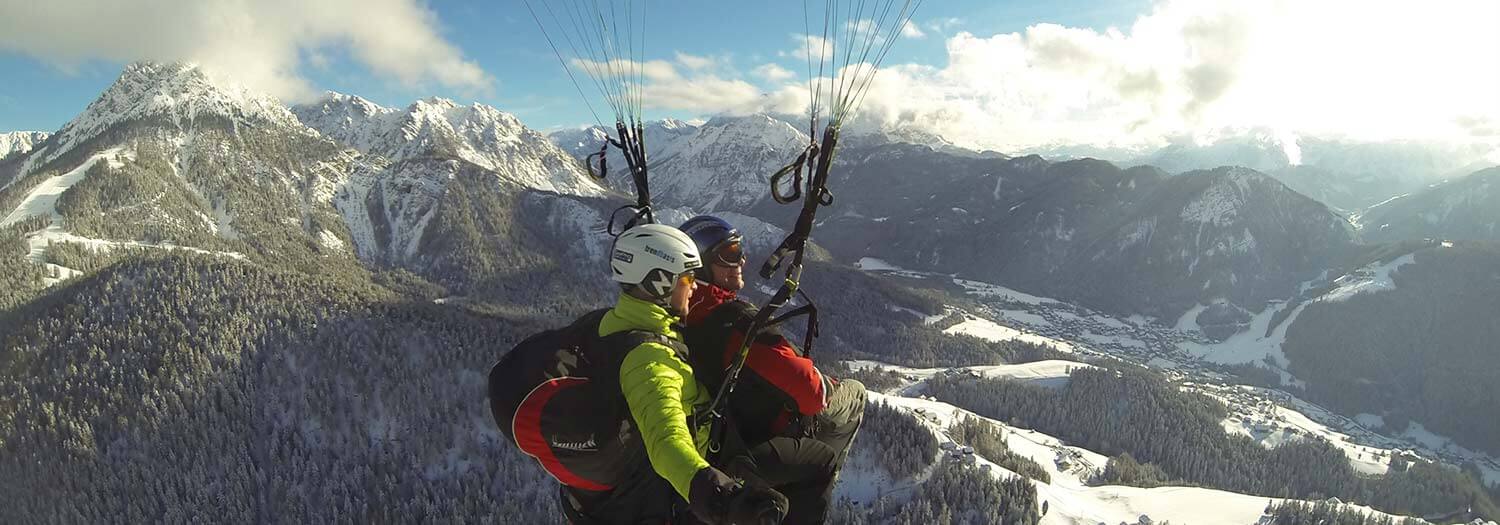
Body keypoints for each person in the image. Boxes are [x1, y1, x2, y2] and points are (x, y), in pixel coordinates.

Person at [563, 223, 788, 525]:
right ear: (660, 283)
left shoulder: (609, 323)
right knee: (815, 464)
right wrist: (724, 498)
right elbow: (667, 442)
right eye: (688, 278)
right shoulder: (649, 360)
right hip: (690, 478)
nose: (694, 287)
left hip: (626, 487)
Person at [677, 216, 867, 525]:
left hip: (706, 443)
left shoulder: (675, 316)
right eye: (730, 254)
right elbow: (811, 394)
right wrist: (827, 385)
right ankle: (807, 487)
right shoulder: (735, 325)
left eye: (740, 250)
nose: (742, 260)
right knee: (854, 397)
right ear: (700, 266)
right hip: (742, 447)